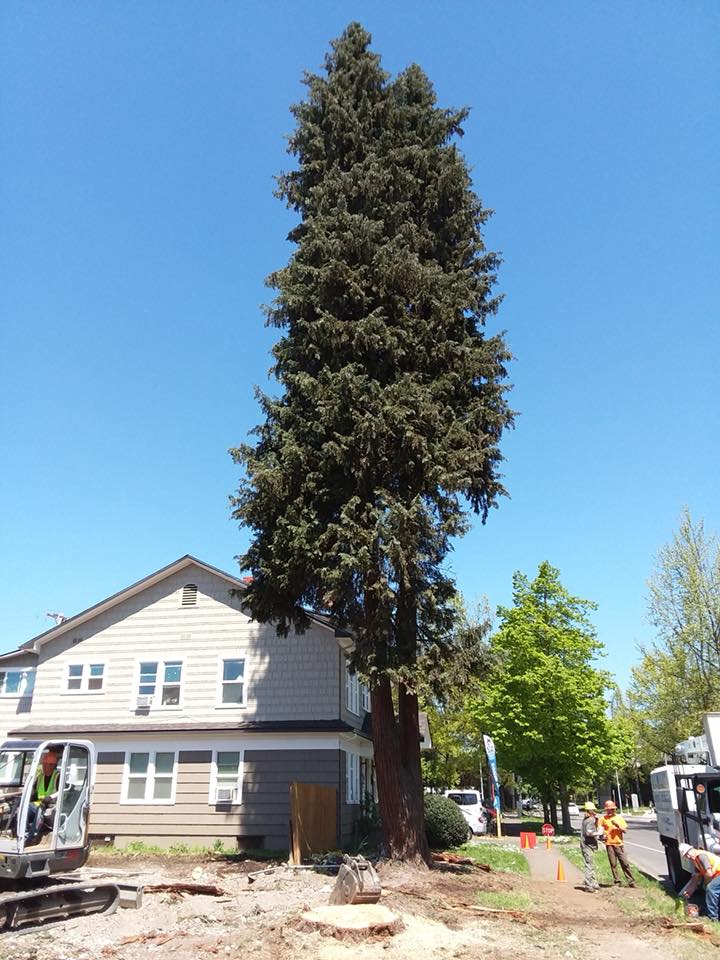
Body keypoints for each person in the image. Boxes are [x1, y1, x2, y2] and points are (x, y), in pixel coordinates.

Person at [598, 799, 636, 887]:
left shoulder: (619, 818)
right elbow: (600, 830)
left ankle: (631, 881)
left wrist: (617, 825)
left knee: (625, 863)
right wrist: (602, 835)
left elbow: (624, 830)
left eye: (611, 809)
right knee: (613, 864)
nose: (610, 811)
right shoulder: (602, 819)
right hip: (609, 844)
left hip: (619, 844)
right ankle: (617, 881)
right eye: (608, 809)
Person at [25, 750, 60, 844]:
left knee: (40, 810)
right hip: (40, 803)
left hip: (52, 805)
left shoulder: (58, 776)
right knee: (25, 808)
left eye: (46, 765)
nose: (43, 767)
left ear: (52, 765)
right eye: (43, 764)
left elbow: (62, 791)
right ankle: (24, 833)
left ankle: (33, 837)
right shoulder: (40, 776)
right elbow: (33, 790)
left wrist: (51, 797)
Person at [678, 843, 720, 920]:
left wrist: (706, 883)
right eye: (686, 856)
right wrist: (689, 891)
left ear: (692, 849)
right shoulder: (696, 861)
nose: (688, 856)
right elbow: (695, 879)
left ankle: (713, 918)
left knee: (711, 889)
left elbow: (709, 874)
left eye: (688, 853)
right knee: (714, 892)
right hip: (717, 875)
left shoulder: (701, 856)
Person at [580, 801, 600, 891]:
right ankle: (589, 885)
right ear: (591, 810)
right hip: (588, 845)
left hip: (585, 844)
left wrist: (597, 820)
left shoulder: (586, 819)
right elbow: (588, 833)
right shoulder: (590, 820)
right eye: (593, 810)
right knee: (589, 865)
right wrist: (599, 833)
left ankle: (594, 883)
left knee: (591, 864)